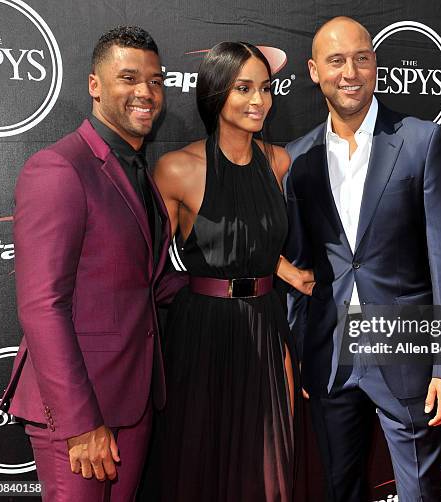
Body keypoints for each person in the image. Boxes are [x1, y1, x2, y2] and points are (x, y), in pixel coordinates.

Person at [285, 17, 441, 502]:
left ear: (376, 65)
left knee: (420, 492)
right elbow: (299, 267)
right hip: (331, 359)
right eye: (337, 60)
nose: (351, 71)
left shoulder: (421, 141)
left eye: (362, 58)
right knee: (340, 489)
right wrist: (304, 354)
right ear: (313, 71)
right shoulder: (297, 158)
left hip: (407, 355)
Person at [0, 26, 182, 501]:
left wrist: (241, 283)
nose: (145, 92)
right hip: (79, 414)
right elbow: (42, 305)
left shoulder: (137, 168)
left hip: (133, 399)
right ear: (94, 85)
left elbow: (144, 282)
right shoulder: (60, 168)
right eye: (128, 78)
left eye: (156, 81)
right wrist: (81, 424)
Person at [153, 41, 311, 502]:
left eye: (265, 88)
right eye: (244, 88)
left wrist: (287, 273)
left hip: (266, 327)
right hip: (202, 333)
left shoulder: (279, 162)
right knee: (199, 468)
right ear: (215, 93)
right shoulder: (177, 169)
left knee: (267, 473)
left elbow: (254, 236)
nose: (259, 100)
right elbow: (148, 265)